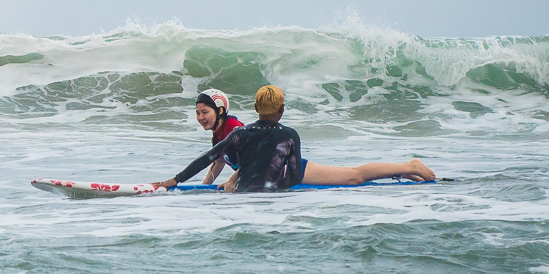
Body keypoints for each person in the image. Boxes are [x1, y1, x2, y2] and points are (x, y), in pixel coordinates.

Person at [156, 84, 436, 192]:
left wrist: (235, 181)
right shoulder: (223, 131)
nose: (200, 117)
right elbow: (214, 161)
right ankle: (404, 172)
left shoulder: (235, 128)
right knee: (354, 176)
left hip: (290, 167)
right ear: (281, 110)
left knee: (354, 176)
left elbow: (242, 161)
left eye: (204, 112)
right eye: (198, 113)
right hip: (276, 170)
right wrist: (202, 187)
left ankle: (411, 166)